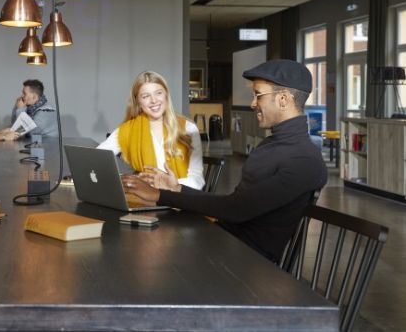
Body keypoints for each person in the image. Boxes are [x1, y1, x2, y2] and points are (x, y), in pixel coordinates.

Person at [122, 60, 328, 263]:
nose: (253, 103)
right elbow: (234, 206)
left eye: (258, 95)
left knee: (145, 252)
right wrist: (176, 189)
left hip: (245, 264)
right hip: (225, 242)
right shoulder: (272, 145)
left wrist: (160, 195)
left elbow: (236, 209)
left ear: (283, 99)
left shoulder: (305, 160)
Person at [98, 71, 204, 190]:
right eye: (146, 96)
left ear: (166, 95)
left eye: (158, 93)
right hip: (145, 198)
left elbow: (197, 179)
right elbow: (96, 157)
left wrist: (171, 185)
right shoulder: (127, 130)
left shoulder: (188, 128)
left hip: (180, 198)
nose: (154, 100)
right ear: (138, 101)